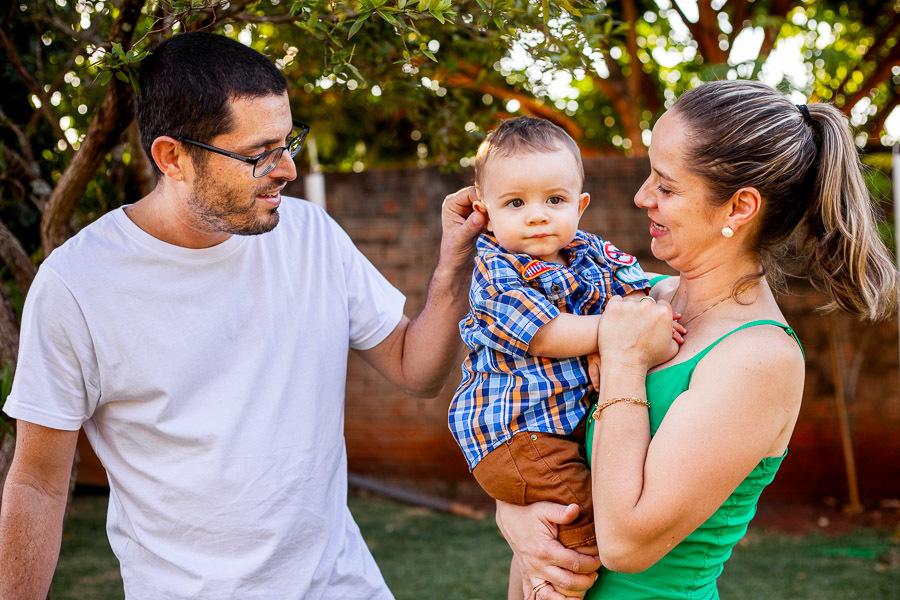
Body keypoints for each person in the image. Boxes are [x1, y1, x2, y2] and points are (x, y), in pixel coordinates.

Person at [0, 32, 484, 600]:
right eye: (259, 154)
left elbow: (415, 369)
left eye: (287, 142)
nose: (287, 169)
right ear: (172, 158)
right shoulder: (76, 285)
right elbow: (37, 482)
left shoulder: (312, 236)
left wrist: (454, 270)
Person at [494, 79, 899, 600]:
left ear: (738, 208)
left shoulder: (757, 359)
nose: (642, 197)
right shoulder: (640, 300)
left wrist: (623, 361)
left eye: (665, 186)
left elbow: (625, 543)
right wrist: (514, 510)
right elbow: (516, 405)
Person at [448, 117, 670, 598]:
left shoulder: (590, 252)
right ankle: (559, 590)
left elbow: (638, 288)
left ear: (580, 204)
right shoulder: (496, 269)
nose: (537, 215)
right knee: (584, 523)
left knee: (565, 518)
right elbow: (546, 334)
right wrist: (616, 335)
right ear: (485, 212)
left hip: (554, 428)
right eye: (515, 203)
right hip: (517, 436)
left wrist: (641, 309)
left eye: (554, 200)